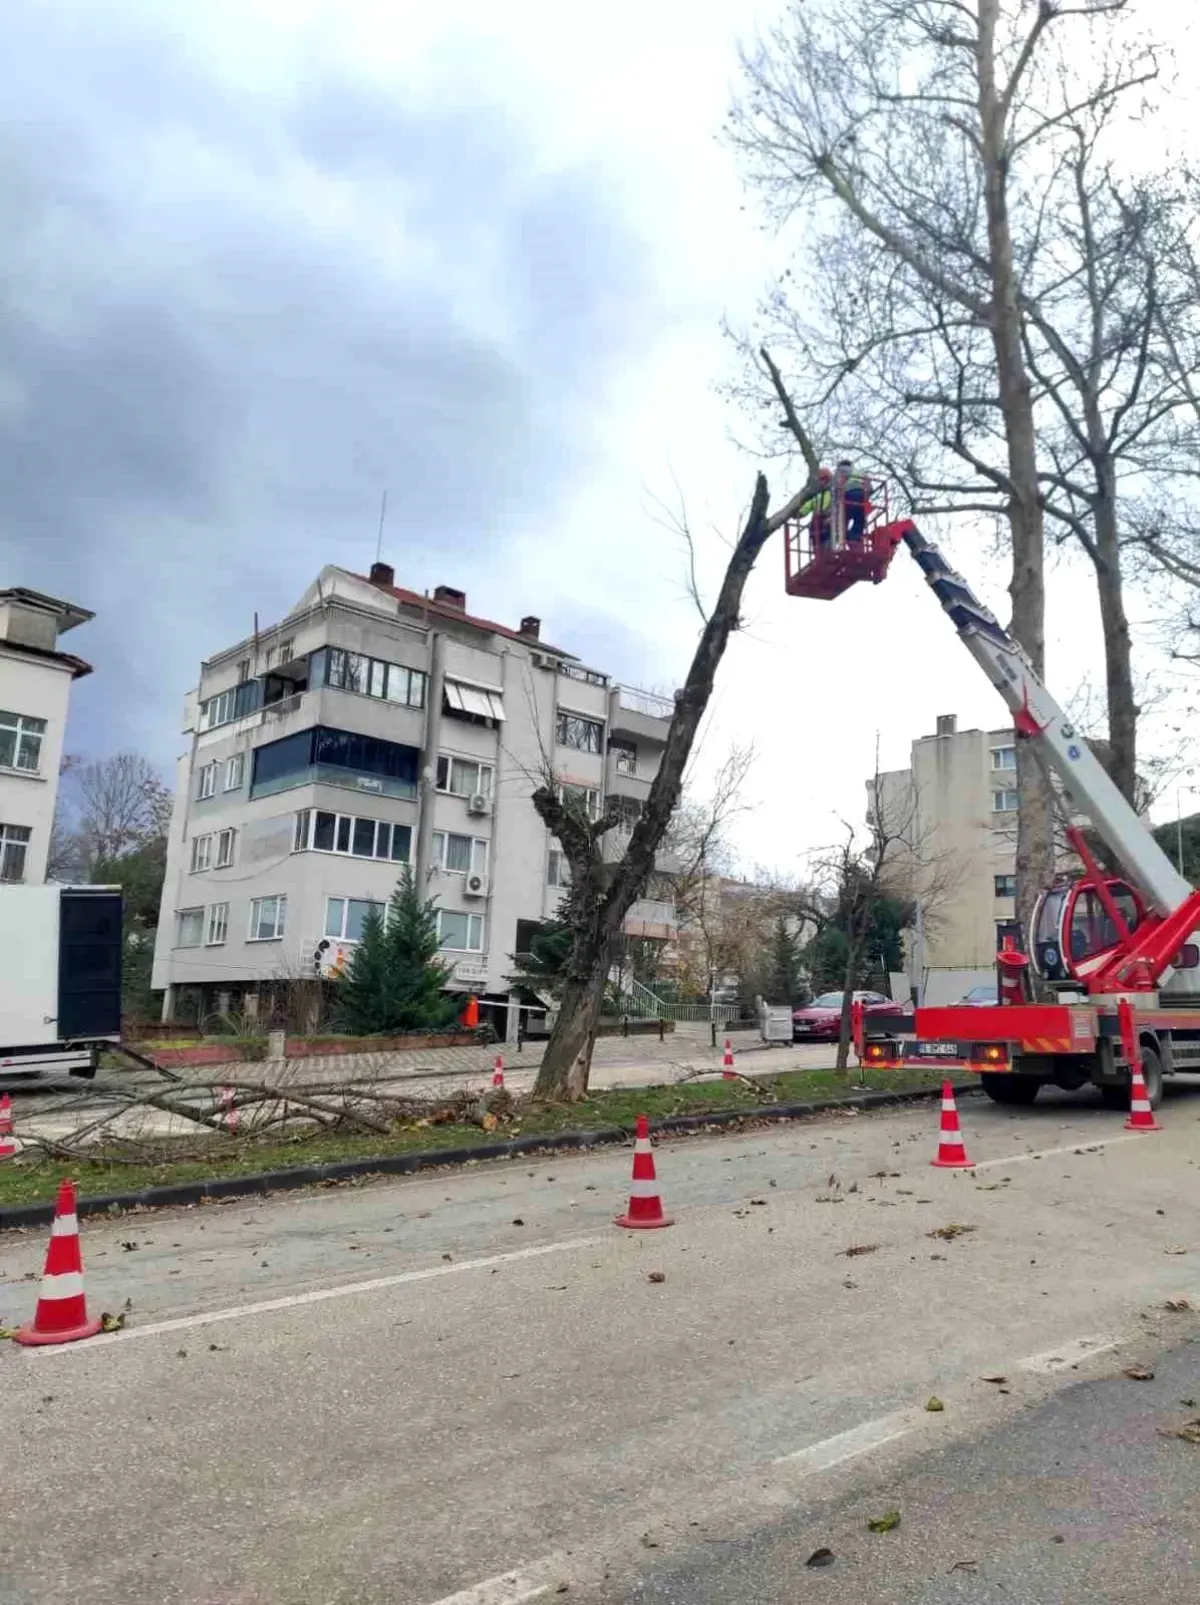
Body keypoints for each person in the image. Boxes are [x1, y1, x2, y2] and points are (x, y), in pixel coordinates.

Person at [834, 458, 871, 543]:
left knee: (844, 515)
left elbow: (836, 485)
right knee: (860, 516)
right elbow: (870, 487)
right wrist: (866, 497)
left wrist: (836, 500)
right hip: (862, 495)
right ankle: (855, 535)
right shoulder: (860, 472)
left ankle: (843, 534)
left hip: (849, 494)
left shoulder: (840, 470)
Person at [799, 468, 833, 551]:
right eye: (820, 480)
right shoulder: (816, 495)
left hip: (828, 522)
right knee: (816, 545)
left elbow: (839, 507)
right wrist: (798, 513)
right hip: (816, 523)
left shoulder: (834, 492)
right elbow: (806, 507)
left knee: (827, 546)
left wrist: (832, 517)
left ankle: (827, 554)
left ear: (828, 480)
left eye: (823, 479)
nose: (821, 482)